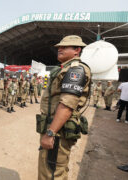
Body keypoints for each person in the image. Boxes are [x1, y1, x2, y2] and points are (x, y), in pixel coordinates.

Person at [37, 35, 91, 180]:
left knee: (51, 173)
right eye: (59, 47)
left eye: (64, 47)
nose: (59, 49)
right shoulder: (66, 69)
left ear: (77, 50)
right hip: (56, 128)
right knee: (54, 169)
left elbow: (67, 105)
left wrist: (50, 133)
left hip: (58, 131)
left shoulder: (75, 71)